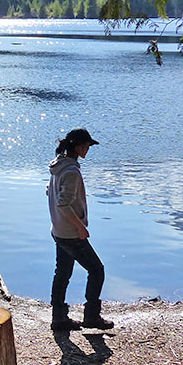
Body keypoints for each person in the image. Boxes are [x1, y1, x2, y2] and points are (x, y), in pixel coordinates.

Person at [47, 128, 114, 331]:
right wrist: (80, 227)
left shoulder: (59, 165)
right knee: (96, 270)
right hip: (71, 233)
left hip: (58, 230)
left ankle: (59, 318)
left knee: (62, 273)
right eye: (86, 145)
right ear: (76, 145)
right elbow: (63, 204)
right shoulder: (71, 171)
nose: (88, 149)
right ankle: (91, 317)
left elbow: (50, 191)